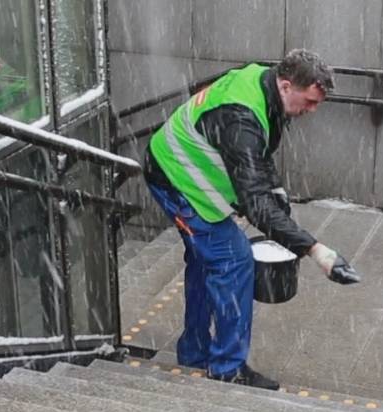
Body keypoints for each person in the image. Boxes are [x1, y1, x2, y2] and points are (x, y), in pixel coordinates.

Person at [143, 49, 362, 390]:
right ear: (287, 85)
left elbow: (258, 155)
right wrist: (317, 251)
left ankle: (194, 352)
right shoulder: (241, 117)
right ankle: (227, 367)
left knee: (205, 262)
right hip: (175, 180)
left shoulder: (263, 82)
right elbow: (255, 203)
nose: (312, 111)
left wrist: (274, 188)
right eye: (309, 102)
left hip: (177, 166)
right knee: (234, 259)